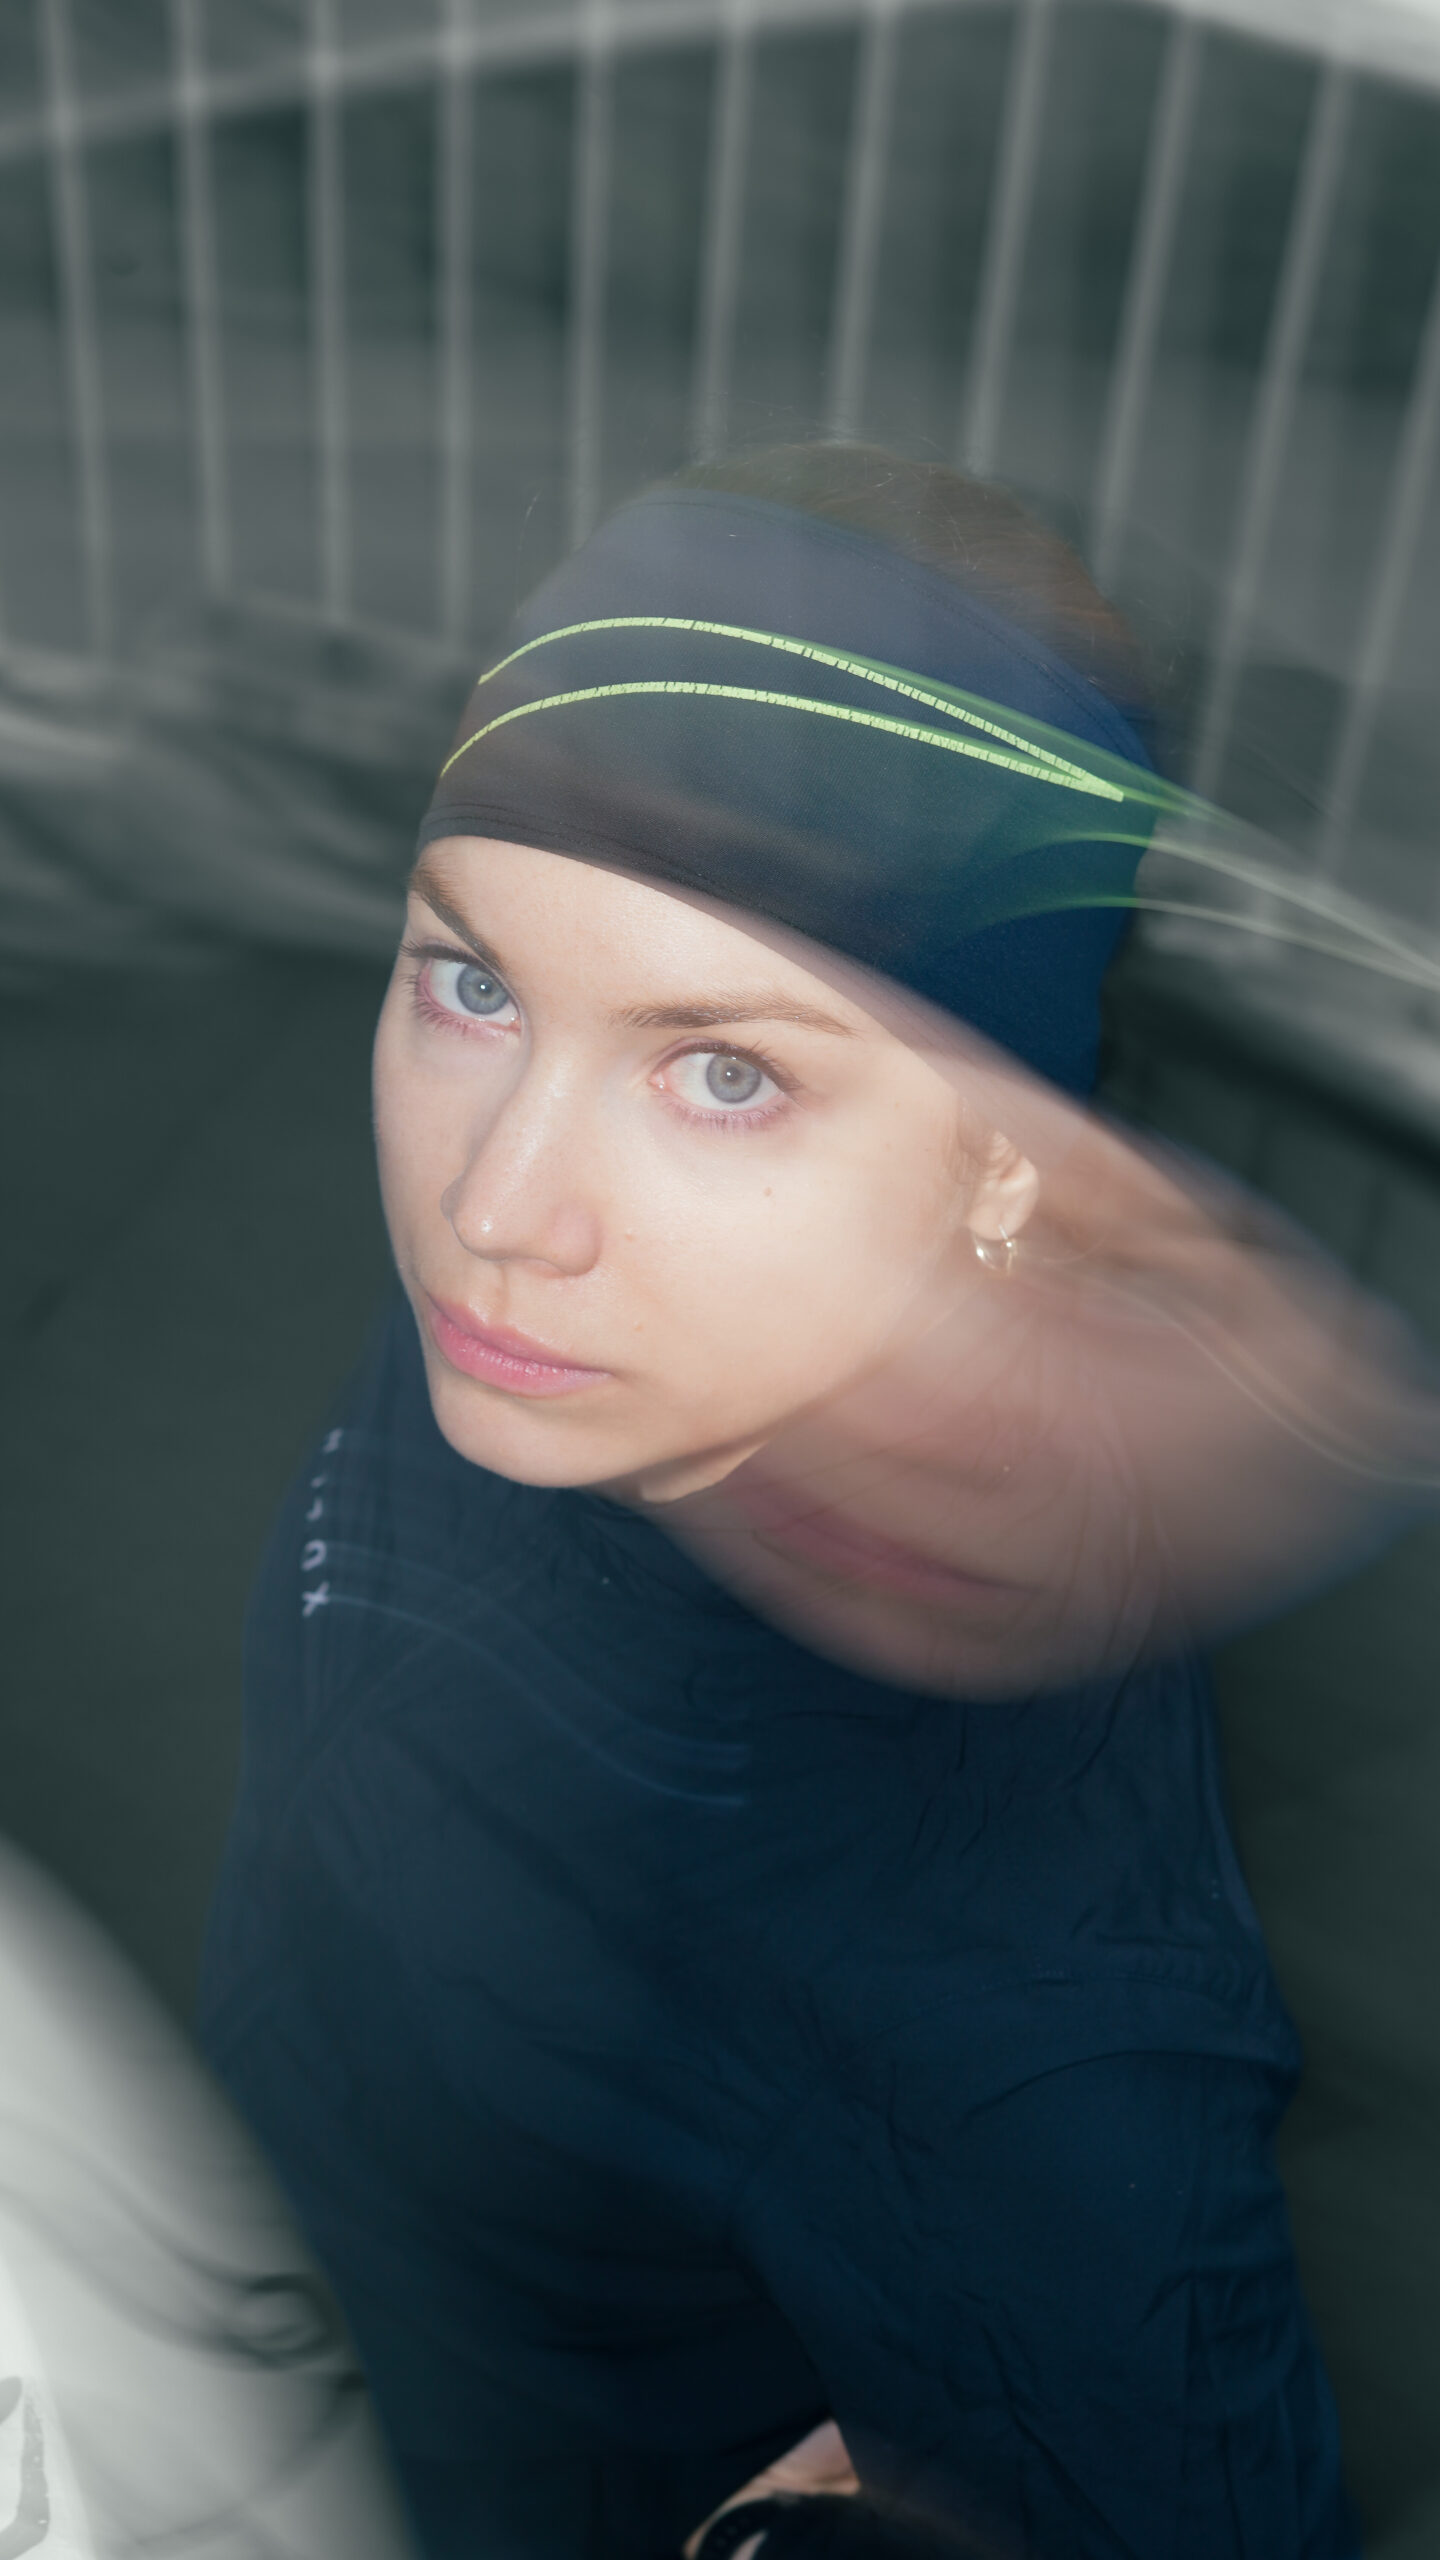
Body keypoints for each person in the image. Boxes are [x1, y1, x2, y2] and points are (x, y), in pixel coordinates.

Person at [197, 446, 1396, 2560]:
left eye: (725, 1073)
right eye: (474, 984)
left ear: (1009, 1165)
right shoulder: (597, 1345)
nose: (497, 1206)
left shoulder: (1003, 2022)